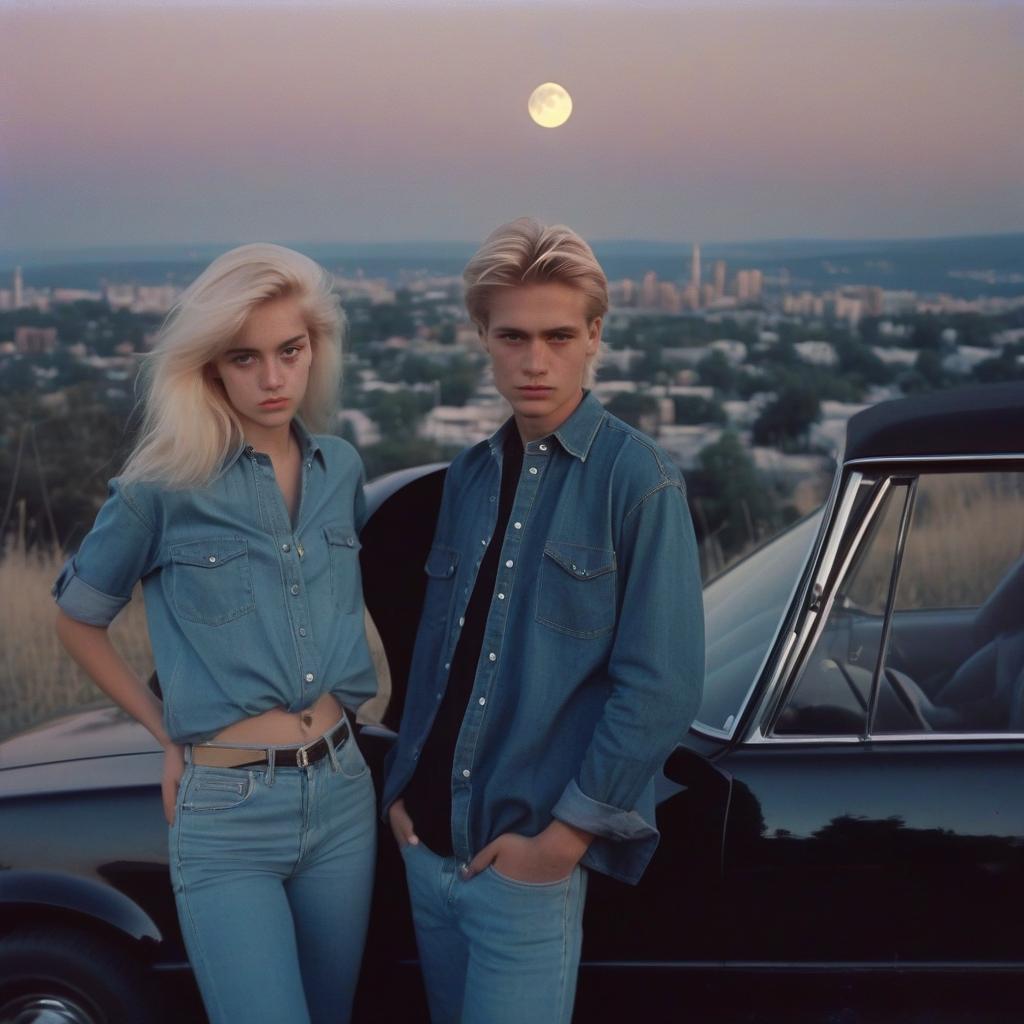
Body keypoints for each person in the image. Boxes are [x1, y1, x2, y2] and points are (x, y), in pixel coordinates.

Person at [382, 217, 705, 1023]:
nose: (535, 361)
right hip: (427, 852)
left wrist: (561, 845)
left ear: (594, 335)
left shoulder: (640, 482)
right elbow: (437, 658)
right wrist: (399, 793)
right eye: (513, 336)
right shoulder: (469, 476)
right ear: (482, 339)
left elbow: (661, 685)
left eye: (559, 336)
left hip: (526, 870)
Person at [53, 244, 377, 1024]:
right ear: (211, 368)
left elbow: (339, 604)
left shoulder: (341, 470)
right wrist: (167, 731)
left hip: (342, 794)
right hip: (229, 814)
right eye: (246, 357)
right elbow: (77, 619)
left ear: (313, 352)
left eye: (289, 352)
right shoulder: (160, 488)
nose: (272, 379)